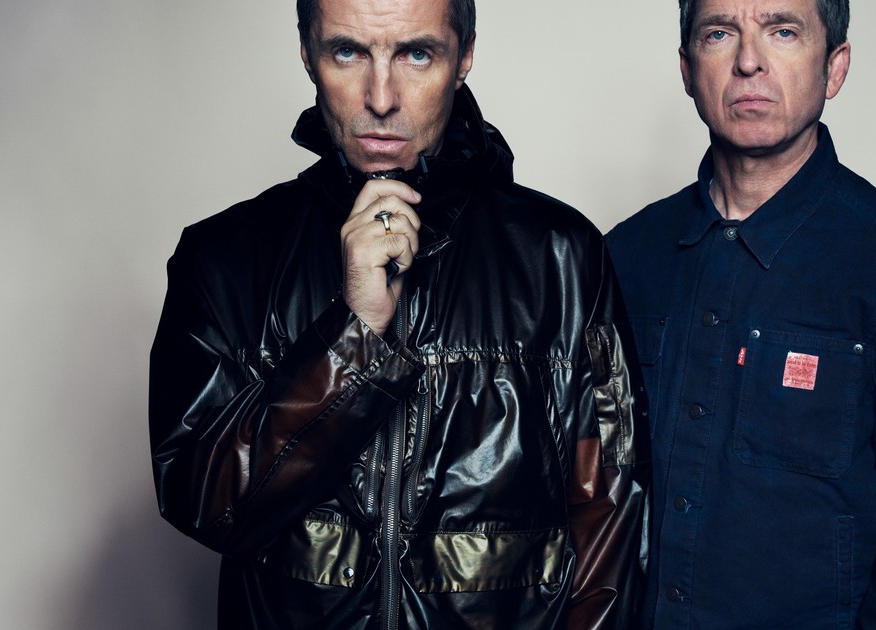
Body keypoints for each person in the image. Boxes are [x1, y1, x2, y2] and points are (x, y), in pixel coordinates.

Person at [148, 0, 648, 627]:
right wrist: (353, 334)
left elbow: (608, 531)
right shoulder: (224, 260)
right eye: (347, 51)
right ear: (307, 52)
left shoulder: (563, 259)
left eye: (416, 53)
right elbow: (207, 508)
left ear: (463, 56)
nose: (380, 98)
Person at [605, 0, 876, 627]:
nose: (749, 61)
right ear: (687, 68)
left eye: (783, 31)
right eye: (719, 33)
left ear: (834, 67)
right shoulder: (623, 258)